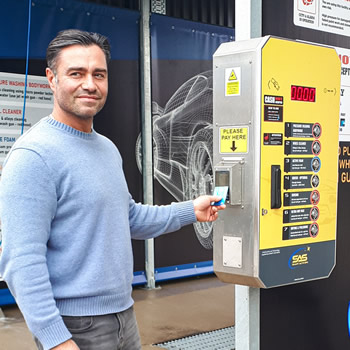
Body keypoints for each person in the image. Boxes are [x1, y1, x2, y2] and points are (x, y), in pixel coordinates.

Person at [0, 29, 225, 350]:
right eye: (75, 73)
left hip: (124, 315)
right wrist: (56, 340)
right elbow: (21, 261)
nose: (90, 84)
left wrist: (191, 210)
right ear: (51, 79)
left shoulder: (106, 148)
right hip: (75, 327)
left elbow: (129, 217)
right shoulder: (33, 156)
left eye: (99, 74)